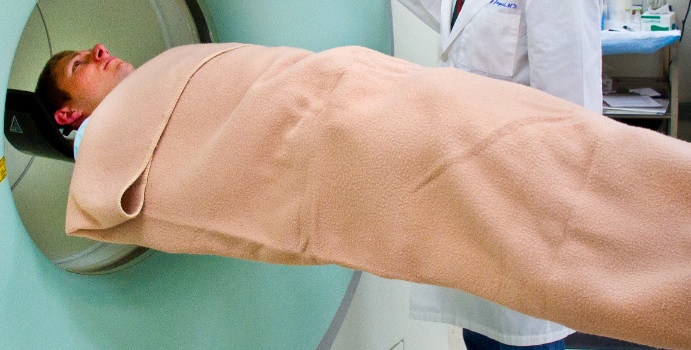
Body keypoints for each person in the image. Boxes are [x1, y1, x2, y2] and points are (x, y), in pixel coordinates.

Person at [38, 41, 691, 350]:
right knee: (521, 175)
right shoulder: (107, 148)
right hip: (352, 137)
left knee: (556, 146)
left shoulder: (167, 71)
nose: (100, 51)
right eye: (77, 66)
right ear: (68, 119)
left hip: (360, 89)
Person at [370, 0, 603, 349]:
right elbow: (472, 29)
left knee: (522, 340)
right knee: (481, 337)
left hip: (522, 215)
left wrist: (541, 230)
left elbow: (572, 120)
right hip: (475, 199)